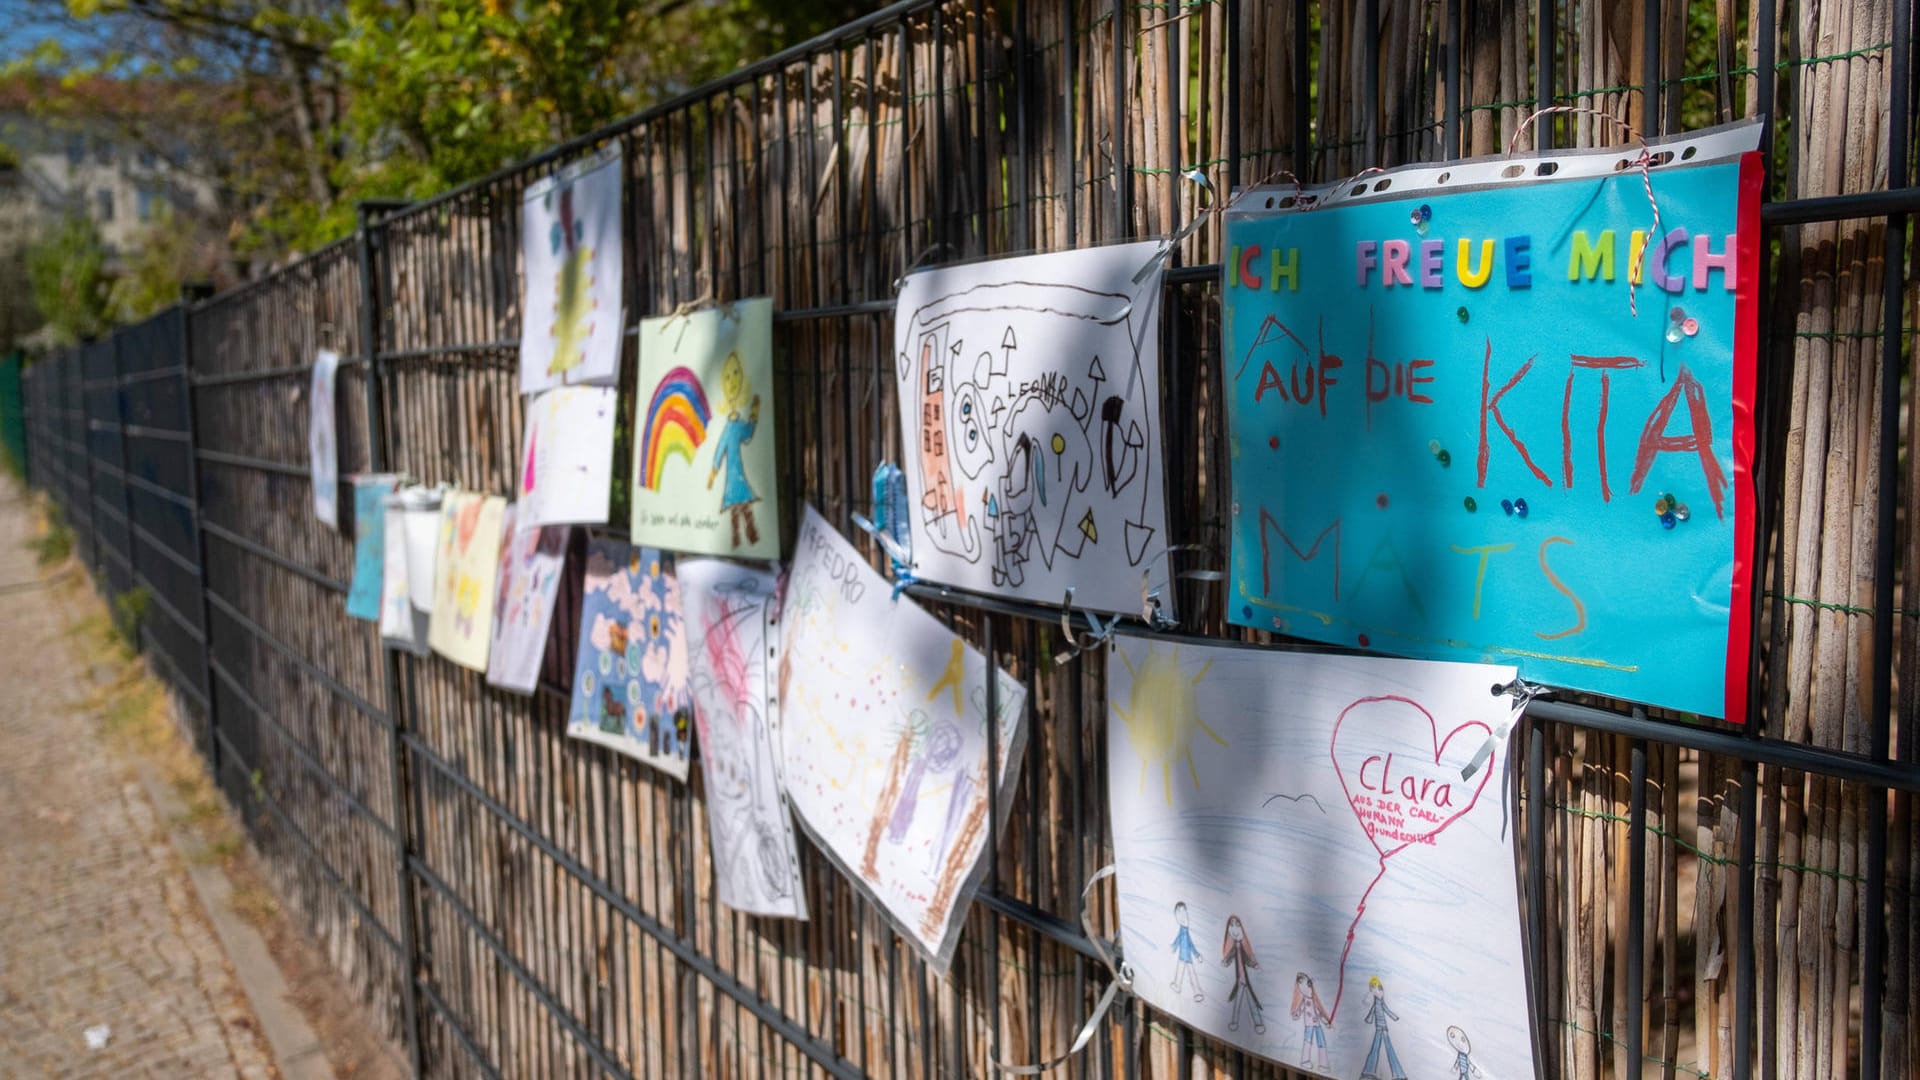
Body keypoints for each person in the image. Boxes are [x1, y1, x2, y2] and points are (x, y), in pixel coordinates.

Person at [707, 351, 762, 549]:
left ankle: (751, 536)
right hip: (732, 475)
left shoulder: (738, 424)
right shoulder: (729, 427)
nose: (732, 382)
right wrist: (713, 472)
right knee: (735, 509)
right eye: (728, 377)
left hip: (737, 474)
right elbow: (720, 449)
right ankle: (738, 540)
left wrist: (754, 413)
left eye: (736, 375)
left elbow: (748, 435)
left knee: (744, 505)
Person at [1221, 914, 1264, 1034]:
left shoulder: (1242, 947)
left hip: (1245, 981)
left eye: (1237, 925)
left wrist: (1254, 964)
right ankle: (1235, 1022)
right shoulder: (1235, 947)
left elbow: (1246, 959)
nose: (1235, 929)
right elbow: (1229, 956)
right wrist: (1225, 961)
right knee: (1237, 1003)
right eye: (1232, 925)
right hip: (1240, 981)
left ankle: (1258, 1024)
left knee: (1251, 1003)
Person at [1360, 976, 1406, 1080]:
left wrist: (1395, 1017)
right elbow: (1371, 1010)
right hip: (1379, 1028)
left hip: (1383, 1028)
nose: (1380, 991)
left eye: (1380, 988)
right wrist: (1369, 1018)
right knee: (1375, 1048)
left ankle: (1398, 1074)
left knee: (1389, 1049)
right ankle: (1369, 1071)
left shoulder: (1380, 1002)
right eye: (1377, 988)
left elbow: (1387, 1010)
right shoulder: (1376, 1002)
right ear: (1373, 990)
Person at [1290, 971, 1331, 1070]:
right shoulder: (1305, 1000)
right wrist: (1296, 1014)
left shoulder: (1314, 1000)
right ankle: (1305, 1060)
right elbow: (1300, 1009)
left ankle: (1324, 1064)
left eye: (1309, 984)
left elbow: (1319, 1012)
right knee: (1308, 1040)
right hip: (1309, 1024)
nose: (1308, 987)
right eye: (1305, 984)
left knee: (1321, 1041)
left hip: (1317, 1024)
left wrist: (1326, 1022)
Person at [1169, 902, 1204, 1002]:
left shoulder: (1185, 931)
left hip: (1187, 956)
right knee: (1180, 971)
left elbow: (1191, 945)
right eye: (1178, 914)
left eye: (1182, 912)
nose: (1180, 917)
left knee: (1192, 973)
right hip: (1182, 956)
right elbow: (1178, 939)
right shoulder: (1182, 930)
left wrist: (1197, 955)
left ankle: (1197, 992)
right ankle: (1177, 985)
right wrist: (1174, 946)